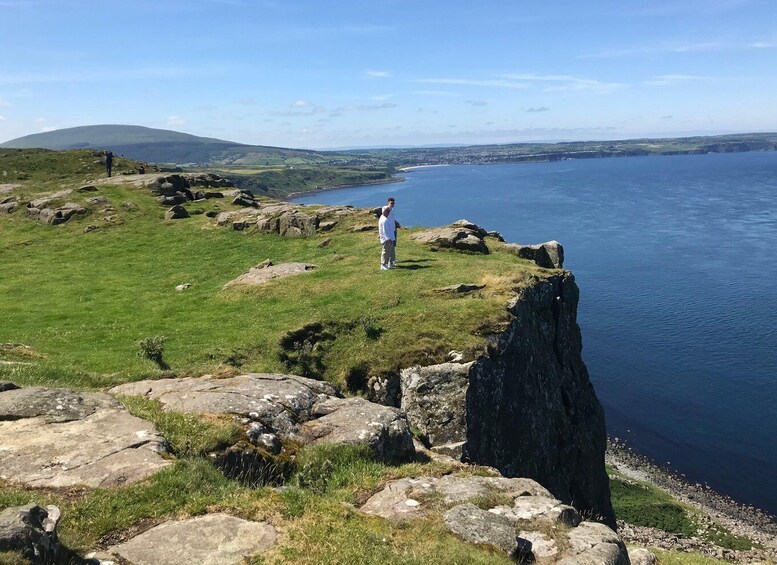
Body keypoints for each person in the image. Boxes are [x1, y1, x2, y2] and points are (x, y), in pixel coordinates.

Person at [382, 197, 400, 267]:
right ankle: (387, 261)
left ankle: (392, 260)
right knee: (388, 246)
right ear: (388, 202)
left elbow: (391, 219)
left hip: (393, 230)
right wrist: (389, 206)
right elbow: (384, 213)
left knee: (393, 245)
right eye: (391, 203)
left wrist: (396, 223)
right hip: (389, 230)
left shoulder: (391, 210)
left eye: (393, 203)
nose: (393, 204)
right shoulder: (385, 208)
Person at [378, 206, 396, 270]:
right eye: (387, 211)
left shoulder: (385, 218)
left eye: (389, 211)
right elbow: (385, 231)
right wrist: (388, 239)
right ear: (383, 211)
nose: (388, 212)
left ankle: (391, 262)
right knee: (386, 252)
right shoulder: (384, 220)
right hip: (387, 239)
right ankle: (383, 264)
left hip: (390, 238)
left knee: (391, 251)